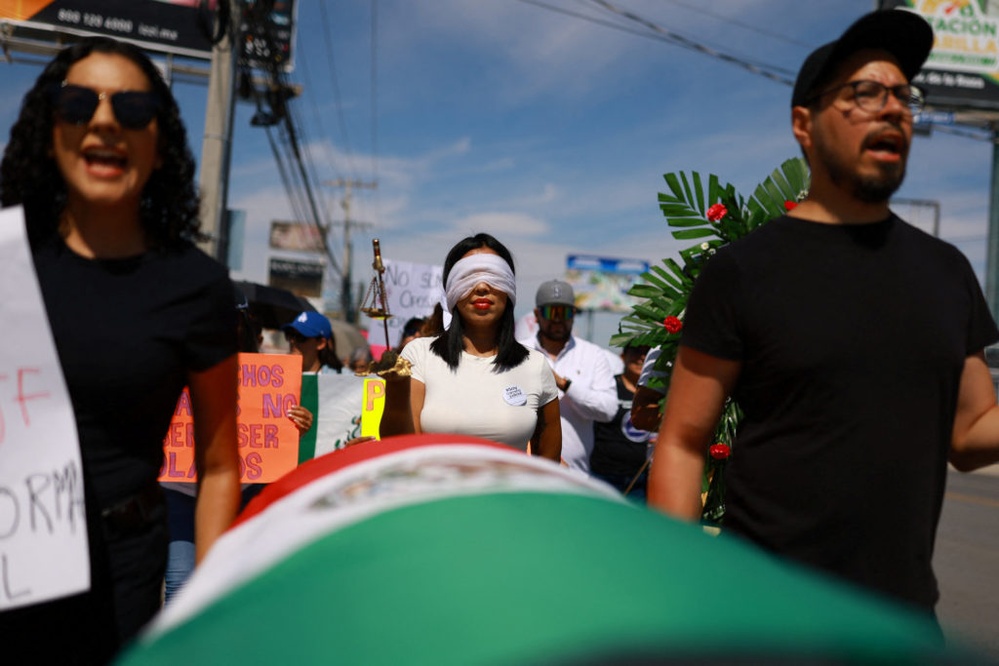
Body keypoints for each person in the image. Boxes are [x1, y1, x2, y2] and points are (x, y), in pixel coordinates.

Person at [648, 10, 999, 618]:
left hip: (903, 627)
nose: (892, 108)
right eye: (865, 92)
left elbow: (969, 435)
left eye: (903, 96)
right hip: (764, 619)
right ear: (803, 125)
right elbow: (683, 440)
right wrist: (679, 597)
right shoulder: (743, 271)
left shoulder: (948, 272)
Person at [0, 36, 240, 660]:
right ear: (50, 128)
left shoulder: (197, 288)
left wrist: (211, 608)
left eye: (131, 109)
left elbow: (219, 465)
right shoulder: (3, 259)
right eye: (78, 104)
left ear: (159, 143)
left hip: (122, 573)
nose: (104, 120)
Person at [379, 233, 561, 461]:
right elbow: (400, 449)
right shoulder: (419, 355)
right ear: (451, 288)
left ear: (510, 287)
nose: (482, 286)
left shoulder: (535, 365)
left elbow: (548, 463)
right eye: (469, 275)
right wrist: (396, 388)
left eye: (494, 275)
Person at [519, 280, 617, 475]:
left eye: (564, 312)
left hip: (576, 475)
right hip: (523, 471)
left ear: (574, 315)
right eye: (550, 312)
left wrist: (565, 385)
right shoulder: (518, 351)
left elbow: (609, 409)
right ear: (537, 315)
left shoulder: (593, 355)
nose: (557, 319)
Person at [590, 343, 653, 501]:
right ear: (623, 357)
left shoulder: (657, 392)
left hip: (640, 480)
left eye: (646, 352)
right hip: (603, 477)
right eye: (636, 351)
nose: (642, 357)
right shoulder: (609, 386)